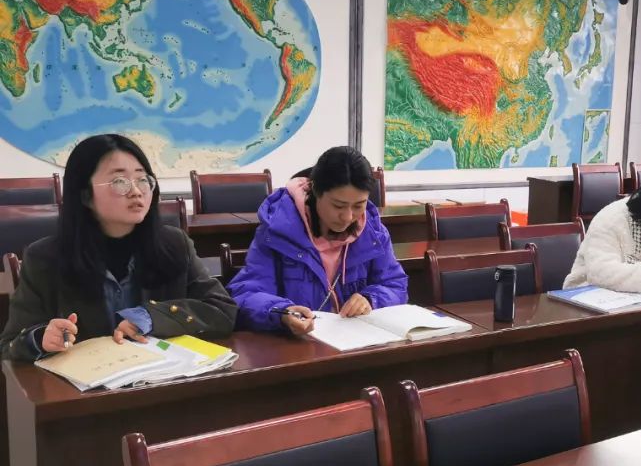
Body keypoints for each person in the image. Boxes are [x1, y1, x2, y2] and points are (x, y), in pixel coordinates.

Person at [0, 134, 237, 360]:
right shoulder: (45, 258)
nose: (136, 191)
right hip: (86, 385)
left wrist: (150, 316)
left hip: (164, 378)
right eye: (119, 181)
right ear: (85, 195)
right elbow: (9, 345)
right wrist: (41, 338)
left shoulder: (174, 243)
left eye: (143, 179)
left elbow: (222, 310)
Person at [229, 146, 407, 334]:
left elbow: (395, 284)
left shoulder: (373, 233)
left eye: (358, 206)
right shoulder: (276, 231)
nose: (348, 217)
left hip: (355, 342)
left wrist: (371, 299)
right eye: (338, 206)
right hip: (297, 344)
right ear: (315, 191)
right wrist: (281, 312)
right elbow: (246, 293)